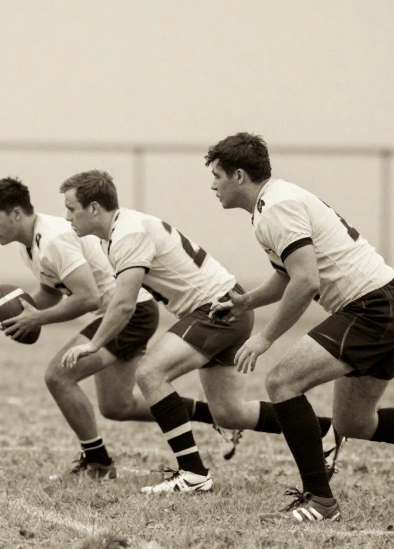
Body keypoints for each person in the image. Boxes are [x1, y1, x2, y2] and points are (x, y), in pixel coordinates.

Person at [206, 132, 394, 522]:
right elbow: (287, 276)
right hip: (388, 303)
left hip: (373, 307)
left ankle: (320, 501)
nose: (213, 185)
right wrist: (246, 302)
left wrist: (264, 338)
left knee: (282, 382)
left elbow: (306, 281)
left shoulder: (276, 207)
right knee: (355, 423)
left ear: (240, 176)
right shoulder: (272, 204)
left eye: (217, 175)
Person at [57, 170, 334, 494]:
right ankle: (324, 433)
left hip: (218, 310)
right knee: (230, 412)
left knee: (150, 373)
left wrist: (94, 345)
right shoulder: (122, 229)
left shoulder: (127, 234)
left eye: (71, 208)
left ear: (93, 209)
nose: (67, 217)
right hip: (225, 308)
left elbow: (124, 305)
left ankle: (192, 472)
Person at [0, 177, 227, 479]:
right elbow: (52, 294)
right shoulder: (30, 246)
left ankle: (98, 462)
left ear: (16, 213)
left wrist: (37, 319)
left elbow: (87, 298)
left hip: (129, 311)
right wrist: (23, 312)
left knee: (59, 376)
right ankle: (217, 415)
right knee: (116, 406)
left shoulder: (53, 239)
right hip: (127, 310)